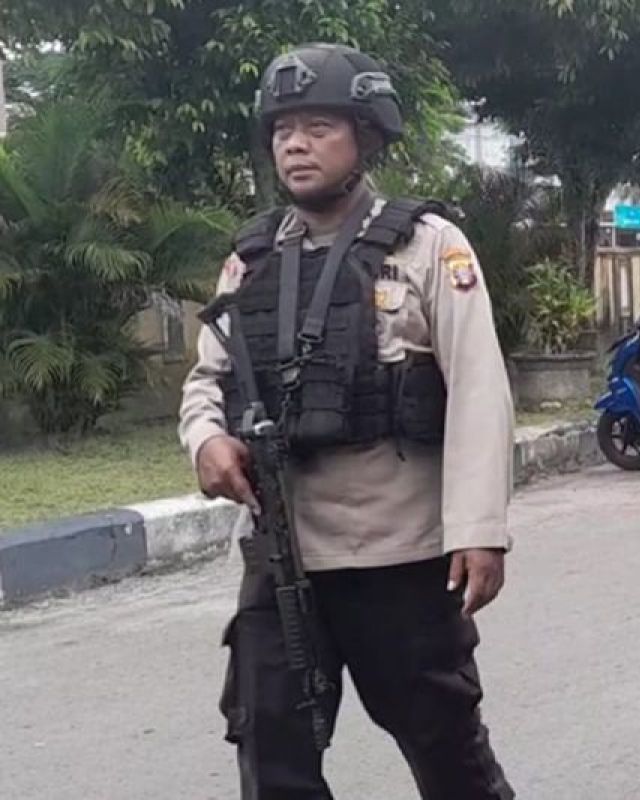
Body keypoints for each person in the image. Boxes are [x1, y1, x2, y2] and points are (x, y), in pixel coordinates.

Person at [178, 43, 515, 799]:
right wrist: (205, 440)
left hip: (399, 556)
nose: (294, 144)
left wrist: (478, 529)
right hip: (282, 554)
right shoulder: (251, 259)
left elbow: (480, 392)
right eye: (283, 129)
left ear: (366, 136)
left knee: (448, 755)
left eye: (319, 126)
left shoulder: (429, 246)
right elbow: (208, 378)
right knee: (271, 757)